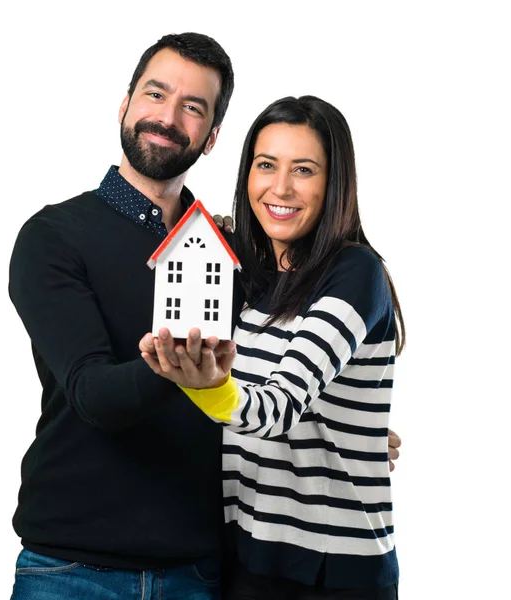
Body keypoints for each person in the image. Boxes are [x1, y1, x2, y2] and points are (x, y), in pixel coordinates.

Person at [9, 31, 402, 599]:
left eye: (193, 107)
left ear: (212, 137)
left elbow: (276, 377)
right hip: (73, 570)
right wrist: (186, 372)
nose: (168, 118)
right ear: (124, 105)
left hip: (204, 568)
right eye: (155, 94)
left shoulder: (237, 253)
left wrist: (341, 431)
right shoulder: (53, 238)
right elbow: (93, 394)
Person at [141, 95, 404, 599]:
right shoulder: (254, 279)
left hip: (331, 572)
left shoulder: (354, 272)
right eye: (266, 165)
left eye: (303, 170)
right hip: (244, 556)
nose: (279, 188)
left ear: (335, 183)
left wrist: (209, 386)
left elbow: (279, 407)